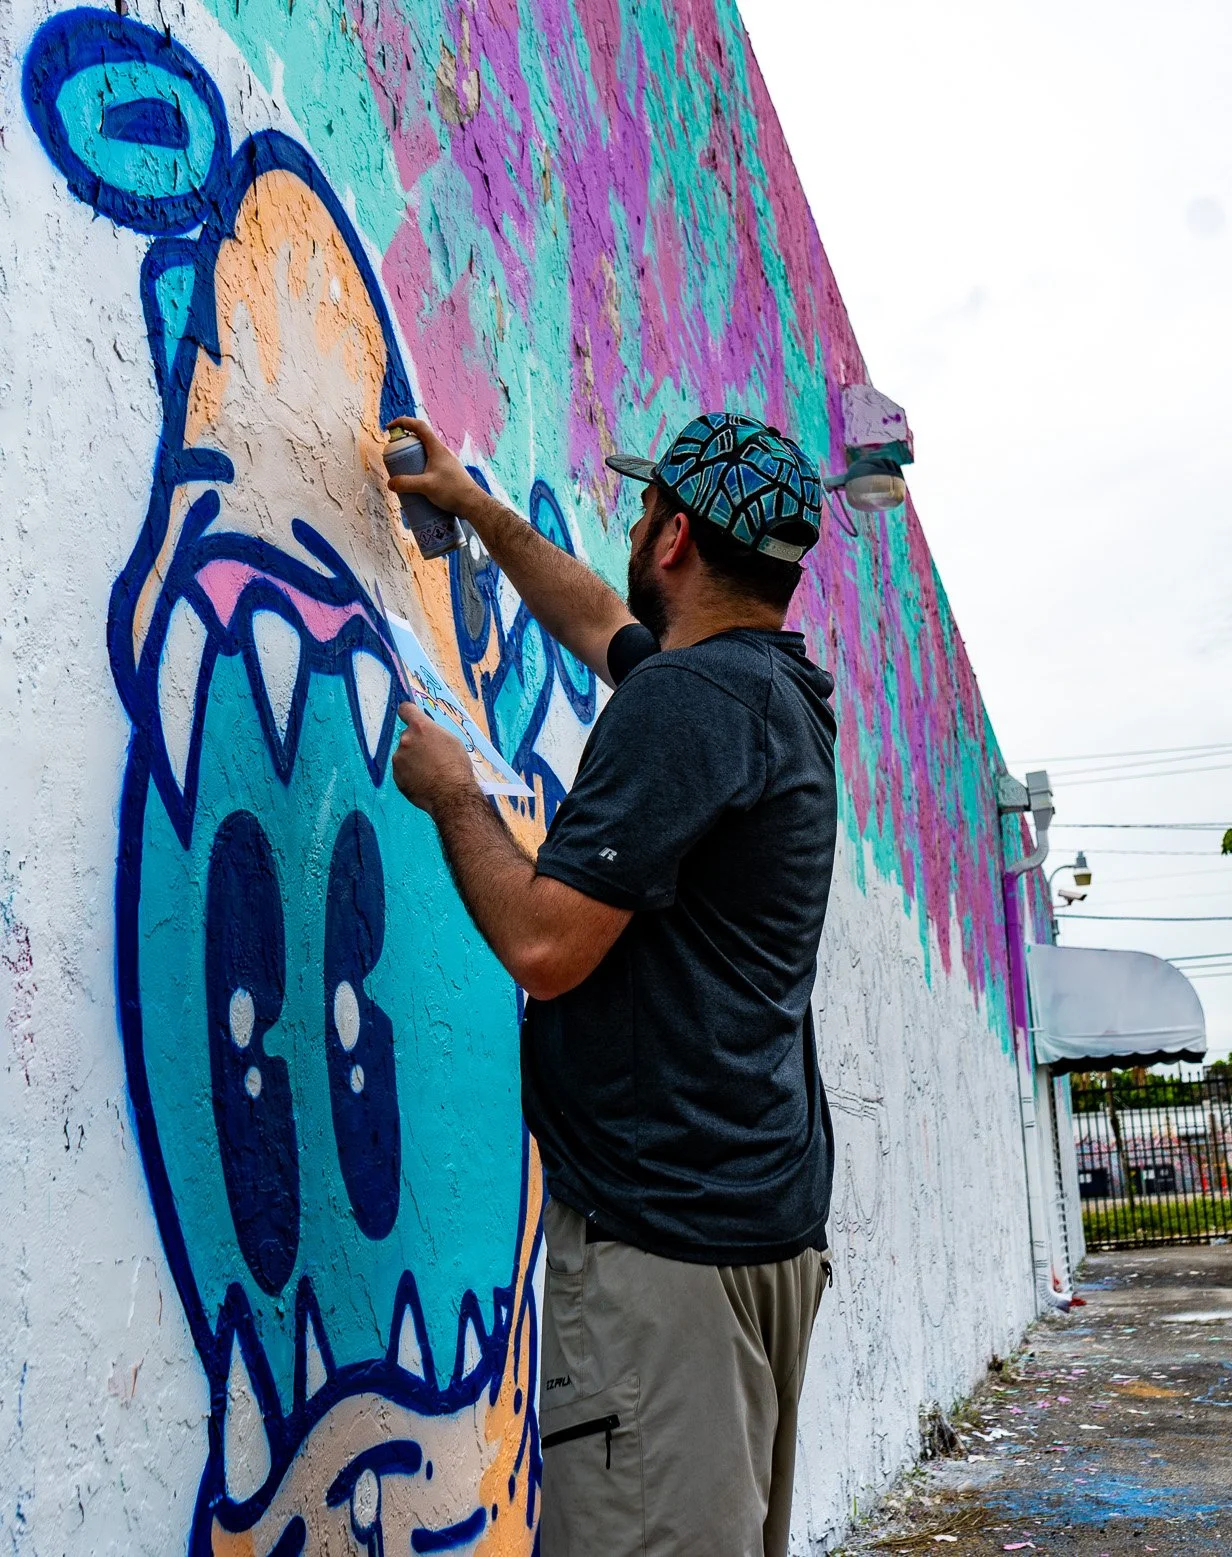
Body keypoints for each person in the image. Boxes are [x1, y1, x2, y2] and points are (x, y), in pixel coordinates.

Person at [384, 411, 838, 1557]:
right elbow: (602, 623)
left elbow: (546, 946)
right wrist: (479, 510)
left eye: (644, 513)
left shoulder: (687, 710)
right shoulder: (765, 694)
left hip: (664, 1260)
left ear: (674, 535)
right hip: (750, 1231)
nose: (634, 532)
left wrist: (451, 793)